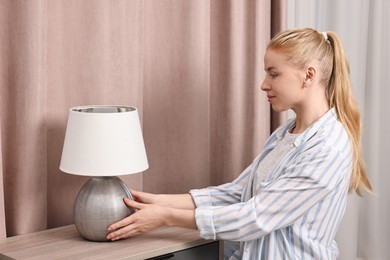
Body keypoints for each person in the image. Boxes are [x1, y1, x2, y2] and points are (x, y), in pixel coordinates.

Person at [106, 28, 372, 259]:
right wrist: (160, 201)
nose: (263, 84)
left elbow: (255, 216)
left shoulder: (329, 146)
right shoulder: (286, 133)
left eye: (273, 73)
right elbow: (238, 193)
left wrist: (164, 217)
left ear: (309, 75)